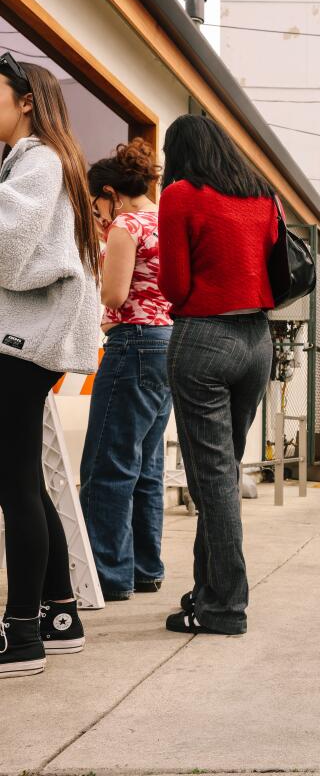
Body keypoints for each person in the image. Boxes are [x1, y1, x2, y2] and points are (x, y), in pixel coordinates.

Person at [157, 114, 277, 636]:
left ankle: (225, 607)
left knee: (215, 481)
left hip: (204, 336)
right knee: (222, 471)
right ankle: (206, 591)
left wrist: (196, 306)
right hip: (258, 341)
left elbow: (174, 284)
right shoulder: (261, 195)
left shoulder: (181, 194)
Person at [0, 56, 101, 677]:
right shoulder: (38, 163)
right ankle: (59, 613)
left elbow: (9, 253)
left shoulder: (38, 163)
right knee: (22, 479)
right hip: (30, 339)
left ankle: (22, 634)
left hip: (20, 342)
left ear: (26, 101)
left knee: (13, 482)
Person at [80, 138, 172, 603]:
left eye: (97, 203)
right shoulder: (168, 219)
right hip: (170, 345)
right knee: (146, 464)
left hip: (132, 343)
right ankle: (145, 568)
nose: (97, 213)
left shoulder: (124, 226)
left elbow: (115, 297)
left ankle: (106, 575)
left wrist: (107, 244)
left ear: (110, 193)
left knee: (107, 464)